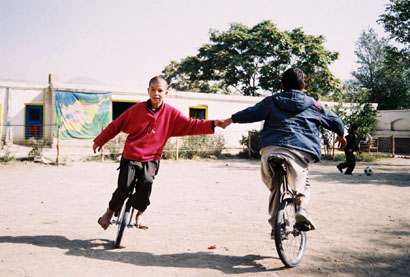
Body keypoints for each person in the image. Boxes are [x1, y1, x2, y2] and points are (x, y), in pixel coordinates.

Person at [220, 68, 346, 236]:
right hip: (300, 150)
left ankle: (276, 227)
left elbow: (252, 113)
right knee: (303, 184)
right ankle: (301, 208)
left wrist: (230, 120)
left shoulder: (272, 101)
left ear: (282, 85)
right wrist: (341, 134)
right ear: (303, 85)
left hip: (271, 149)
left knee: (275, 188)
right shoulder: (314, 106)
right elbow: (334, 120)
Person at [94, 76, 223, 230]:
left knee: (146, 184)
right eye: (153, 90)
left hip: (152, 158)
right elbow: (117, 124)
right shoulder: (136, 110)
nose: (156, 93)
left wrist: (212, 124)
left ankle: (140, 214)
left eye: (160, 90)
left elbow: (191, 124)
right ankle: (109, 212)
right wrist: (100, 140)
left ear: (166, 92)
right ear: (148, 91)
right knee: (124, 187)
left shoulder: (171, 114)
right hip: (131, 154)